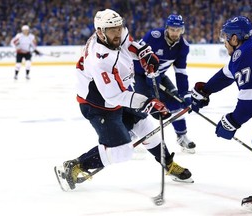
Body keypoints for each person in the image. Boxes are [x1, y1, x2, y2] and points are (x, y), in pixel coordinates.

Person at [54, 9, 193, 191]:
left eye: (119, 28)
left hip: (117, 93)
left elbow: (129, 44)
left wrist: (144, 53)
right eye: (113, 30)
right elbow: (114, 96)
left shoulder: (114, 33)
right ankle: (75, 165)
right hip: (98, 104)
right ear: (100, 32)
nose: (118, 33)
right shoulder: (100, 59)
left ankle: (168, 163)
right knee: (123, 151)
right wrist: (147, 103)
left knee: (145, 126)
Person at [190, 16, 252, 212]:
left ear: (235, 38)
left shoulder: (244, 54)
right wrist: (206, 90)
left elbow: (247, 106)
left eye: (226, 37)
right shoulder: (251, 47)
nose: (224, 41)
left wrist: (230, 122)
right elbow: (227, 73)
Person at [133, 14, 196, 154]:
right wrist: (148, 72)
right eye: (172, 29)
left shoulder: (183, 46)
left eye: (178, 30)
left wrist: (184, 93)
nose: (175, 33)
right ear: (166, 28)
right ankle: (131, 134)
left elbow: (180, 71)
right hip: (138, 75)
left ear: (182, 30)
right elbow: (137, 54)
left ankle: (182, 136)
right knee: (142, 103)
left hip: (159, 76)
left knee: (175, 101)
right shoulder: (153, 36)